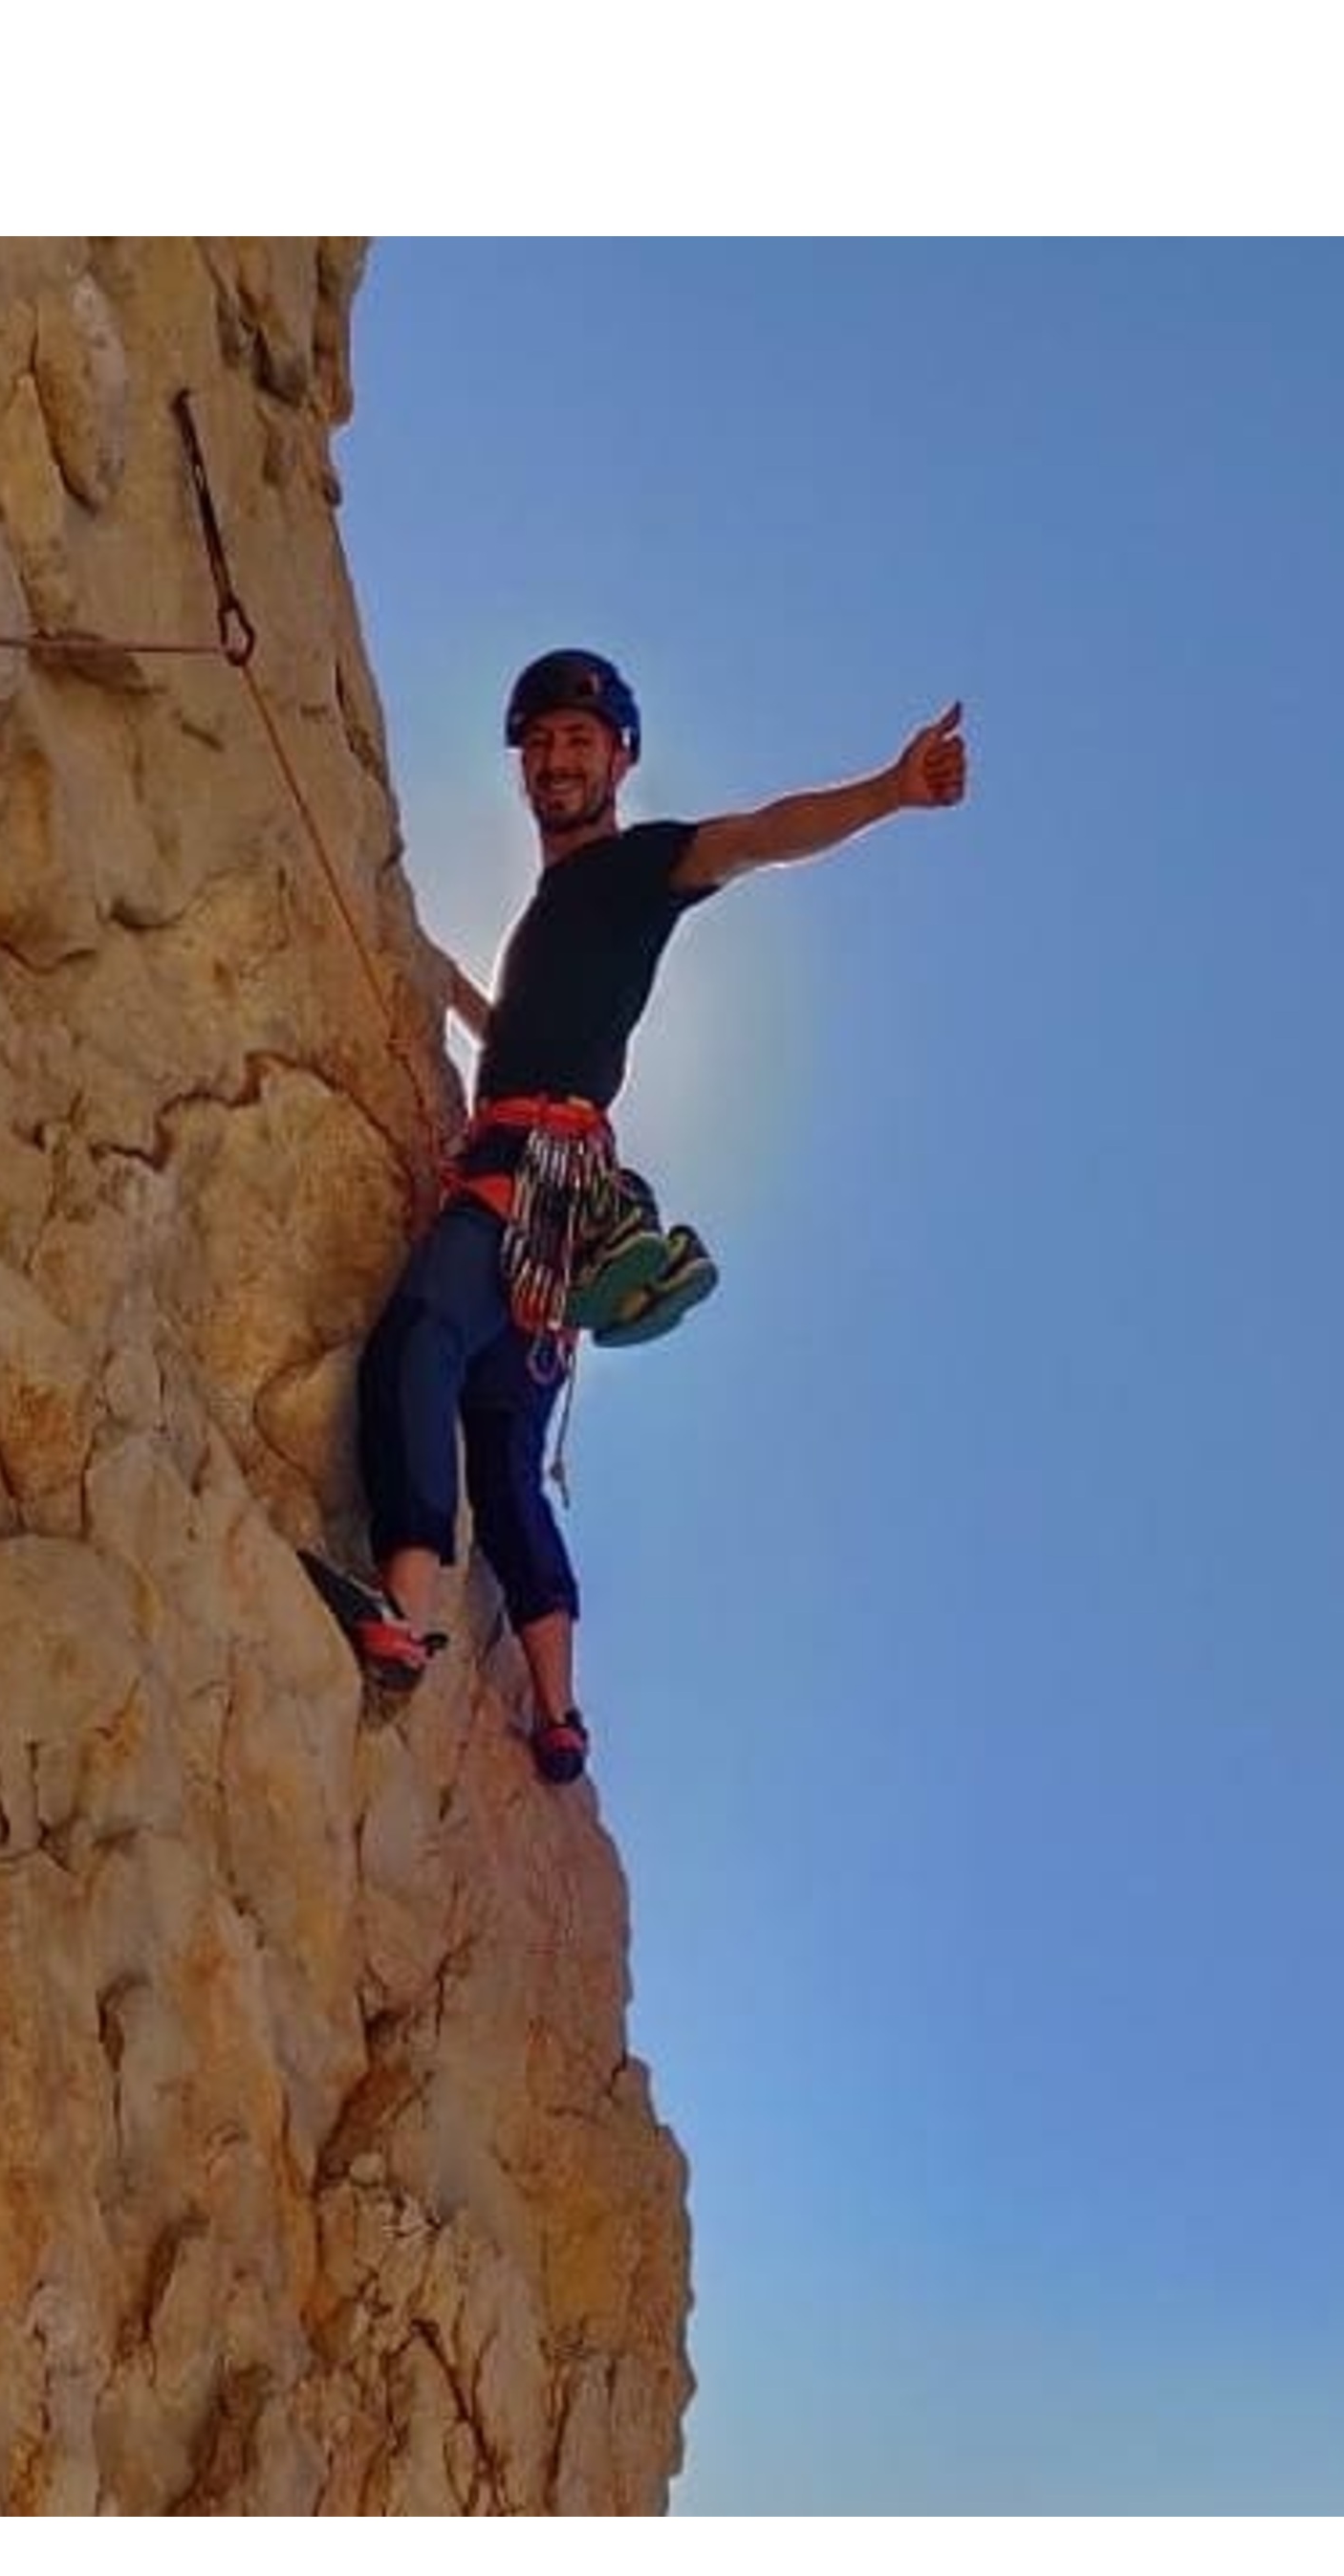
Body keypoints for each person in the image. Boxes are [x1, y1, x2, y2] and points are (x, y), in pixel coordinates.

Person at [346, 648, 968, 1783]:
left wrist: (889, 791)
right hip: (558, 1204)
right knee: (507, 1465)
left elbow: (758, 835)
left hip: (526, 1182)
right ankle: (560, 1716)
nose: (556, 759)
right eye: (539, 744)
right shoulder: (553, 912)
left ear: (621, 757)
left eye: (579, 740)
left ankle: (404, 1610)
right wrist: (452, 992)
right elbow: (537, 1041)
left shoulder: (637, 868)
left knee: (418, 1341)